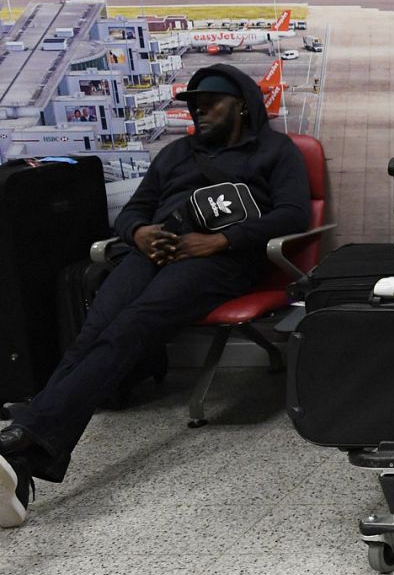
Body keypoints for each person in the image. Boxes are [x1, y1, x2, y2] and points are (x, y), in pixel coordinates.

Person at [0, 64, 310, 527]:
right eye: (194, 105)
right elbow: (135, 210)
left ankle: (24, 437)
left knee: (132, 326)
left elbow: (292, 213)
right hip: (153, 252)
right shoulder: (175, 154)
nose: (199, 112)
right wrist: (140, 233)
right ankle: (23, 458)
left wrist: (221, 241)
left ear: (242, 106)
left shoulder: (274, 152)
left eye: (211, 103)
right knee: (93, 332)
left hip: (220, 260)